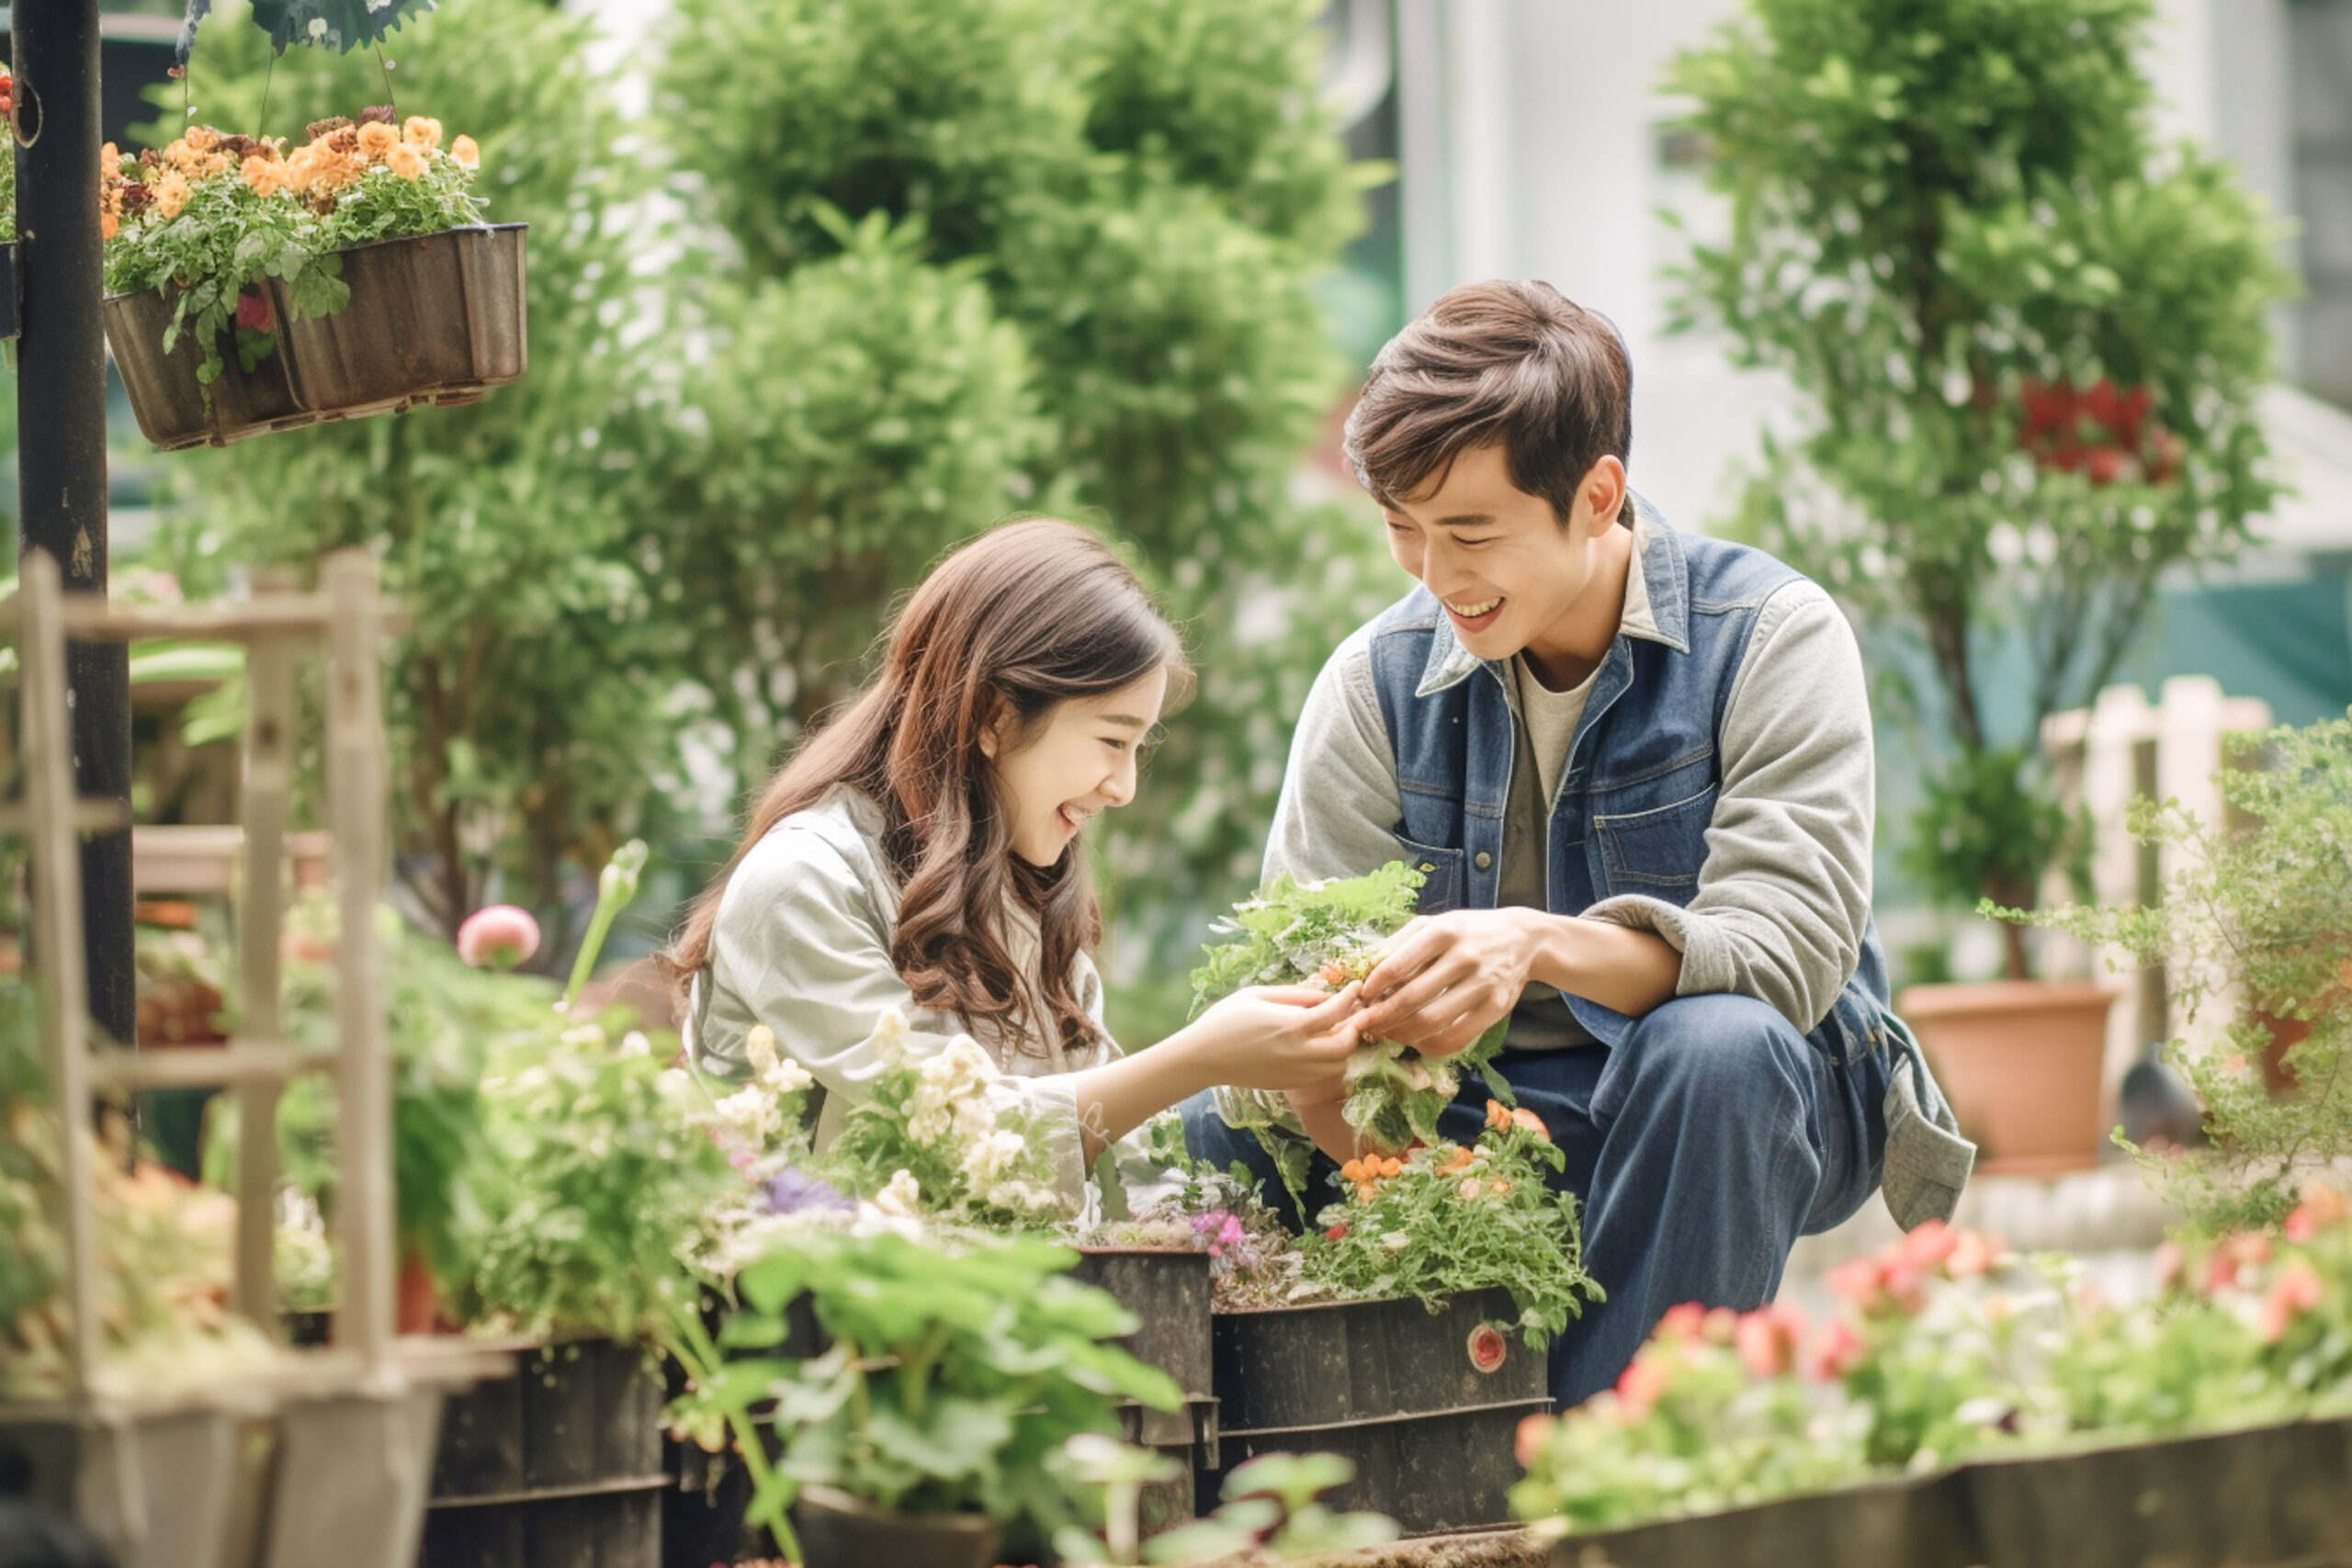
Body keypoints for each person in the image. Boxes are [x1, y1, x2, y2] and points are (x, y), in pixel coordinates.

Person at [1182, 280, 1975, 1410]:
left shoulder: (1769, 635)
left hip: (1736, 1098)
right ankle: (1336, 1490)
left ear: (1595, 495)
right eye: (1401, 527)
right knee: (1221, 1110)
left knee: (1717, 1047)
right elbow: (1300, 981)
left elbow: (1790, 955)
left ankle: (1608, 1475)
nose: (1432, 574)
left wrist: (1533, 945)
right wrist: (1417, 1189)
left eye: (1469, 532)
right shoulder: (1374, 680)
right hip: (1471, 1115)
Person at [667, 517, 1367, 1205]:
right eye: (1111, 740)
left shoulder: (1025, 894)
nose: (1122, 788)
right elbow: (956, 1139)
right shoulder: (804, 881)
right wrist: (1200, 1055)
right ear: (996, 715)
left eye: (1138, 748)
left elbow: (1121, 1167)